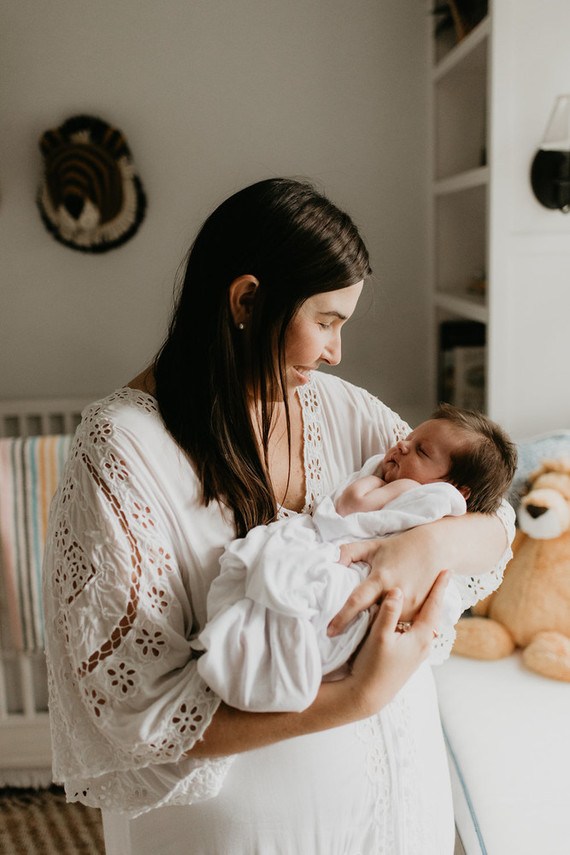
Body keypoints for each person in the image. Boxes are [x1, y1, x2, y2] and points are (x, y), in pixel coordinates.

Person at [42, 178, 515, 855]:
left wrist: (430, 544)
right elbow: (128, 711)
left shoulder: (340, 409)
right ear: (246, 300)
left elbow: (494, 524)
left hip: (404, 821)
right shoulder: (122, 452)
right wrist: (356, 698)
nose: (335, 351)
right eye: (326, 321)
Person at [196, 404, 517, 712]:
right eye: (410, 438)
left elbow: (349, 506)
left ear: (458, 490)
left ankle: (251, 652)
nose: (402, 445)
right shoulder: (434, 497)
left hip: (356, 568)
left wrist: (375, 476)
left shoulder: (420, 492)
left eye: (422, 451)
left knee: (295, 589)